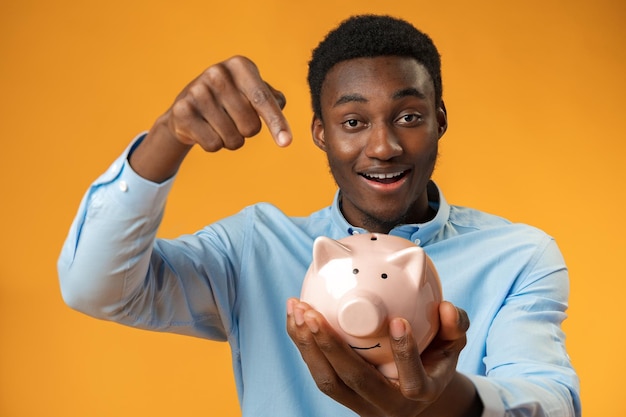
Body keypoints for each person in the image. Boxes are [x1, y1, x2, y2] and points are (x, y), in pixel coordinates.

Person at [57, 14, 581, 417]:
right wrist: (168, 136)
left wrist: (444, 403)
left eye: (408, 116)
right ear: (320, 133)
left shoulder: (518, 255)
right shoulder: (254, 249)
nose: (383, 146)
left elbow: (551, 401)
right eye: (353, 120)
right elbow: (97, 287)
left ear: (439, 120)